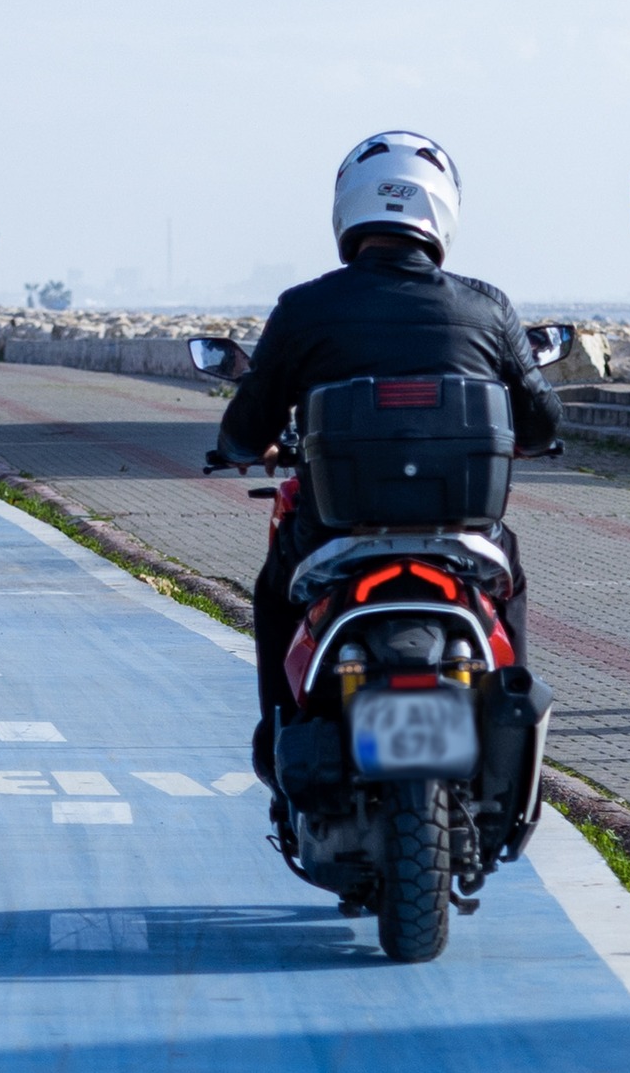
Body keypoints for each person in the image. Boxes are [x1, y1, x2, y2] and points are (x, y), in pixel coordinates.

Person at [213, 131, 561, 787]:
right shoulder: (486, 308)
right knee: (508, 569)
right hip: (465, 535)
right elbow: (543, 420)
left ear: (348, 208)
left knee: (272, 590)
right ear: (442, 212)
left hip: (332, 533)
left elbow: (243, 427)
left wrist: (247, 444)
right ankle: (512, 720)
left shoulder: (304, 308)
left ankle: (278, 729)